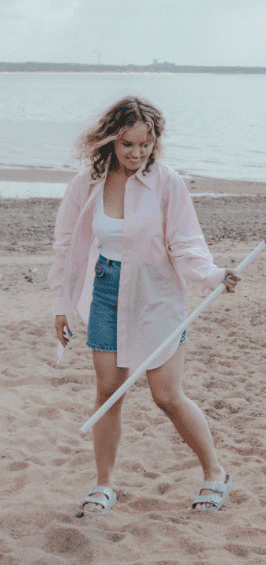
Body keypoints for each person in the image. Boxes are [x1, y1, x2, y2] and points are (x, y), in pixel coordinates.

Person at [48, 96, 240, 514]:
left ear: (155, 143)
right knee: (108, 392)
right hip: (105, 292)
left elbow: (186, 243)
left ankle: (215, 473)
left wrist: (212, 274)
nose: (137, 154)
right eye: (128, 145)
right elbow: (65, 248)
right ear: (109, 143)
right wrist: (61, 305)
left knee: (167, 395)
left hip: (157, 294)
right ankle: (103, 485)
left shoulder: (167, 183)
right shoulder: (85, 185)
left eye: (145, 145)